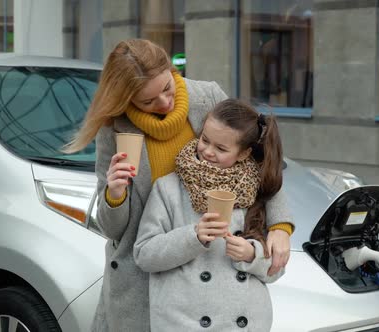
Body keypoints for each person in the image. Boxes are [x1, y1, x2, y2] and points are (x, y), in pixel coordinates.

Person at [63, 39, 294, 332]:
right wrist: (115, 194)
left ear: (171, 70)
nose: (163, 103)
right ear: (125, 98)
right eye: (148, 101)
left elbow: (262, 161)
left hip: (215, 270)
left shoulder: (207, 97)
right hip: (143, 277)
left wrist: (280, 226)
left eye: (167, 87)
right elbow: (115, 232)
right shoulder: (114, 128)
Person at [134, 99, 286, 331]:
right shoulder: (169, 188)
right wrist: (192, 237)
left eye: (221, 148)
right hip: (182, 322)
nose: (207, 151)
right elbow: (144, 255)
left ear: (244, 153)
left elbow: (277, 269)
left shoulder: (257, 191)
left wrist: (251, 255)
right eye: (205, 140)